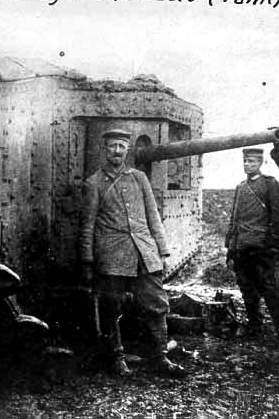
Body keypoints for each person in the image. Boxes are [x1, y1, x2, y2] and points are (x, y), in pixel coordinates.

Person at [80, 129, 187, 378]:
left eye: (121, 146)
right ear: (103, 149)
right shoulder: (93, 183)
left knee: (156, 303)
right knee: (111, 306)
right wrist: (87, 259)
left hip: (144, 251)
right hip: (112, 255)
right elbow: (87, 225)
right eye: (112, 146)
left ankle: (161, 357)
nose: (117, 150)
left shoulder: (139, 178)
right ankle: (116, 357)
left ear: (127, 150)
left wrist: (162, 249)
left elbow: (153, 216)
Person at [226, 148, 279, 342]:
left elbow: (278, 216)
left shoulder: (270, 184)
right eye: (245, 161)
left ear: (260, 163)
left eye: (251, 161)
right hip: (242, 246)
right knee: (246, 287)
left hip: (261, 246)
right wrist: (230, 249)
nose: (247, 165)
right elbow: (234, 220)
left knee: (269, 286)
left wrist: (273, 242)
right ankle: (254, 324)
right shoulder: (241, 187)